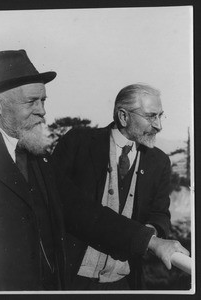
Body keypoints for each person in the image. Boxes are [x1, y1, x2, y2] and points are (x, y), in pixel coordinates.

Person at [52, 83, 190, 290]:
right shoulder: (77, 143)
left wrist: (149, 233)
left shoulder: (159, 161)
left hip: (122, 283)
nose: (159, 125)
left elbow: (160, 214)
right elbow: (60, 205)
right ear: (123, 116)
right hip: (70, 279)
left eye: (160, 115)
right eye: (151, 116)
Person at [0, 50, 67, 291]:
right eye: (31, 102)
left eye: (43, 100)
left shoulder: (37, 155)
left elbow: (80, 209)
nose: (42, 111)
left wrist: (147, 241)